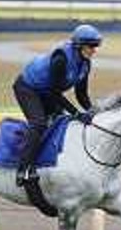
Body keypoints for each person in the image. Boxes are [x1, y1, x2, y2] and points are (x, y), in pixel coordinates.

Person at [12, 23, 102, 186]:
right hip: (28, 88)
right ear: (79, 46)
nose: (94, 50)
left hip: (46, 91)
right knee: (39, 124)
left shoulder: (85, 63)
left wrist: (93, 111)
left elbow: (81, 94)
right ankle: (23, 167)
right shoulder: (61, 59)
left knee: (62, 122)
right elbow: (55, 93)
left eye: (96, 46)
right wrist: (76, 113)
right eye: (91, 46)